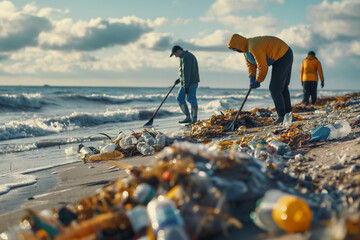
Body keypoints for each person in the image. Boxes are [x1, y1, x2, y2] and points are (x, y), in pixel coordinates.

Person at [228, 34, 293, 124]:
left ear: (238, 44)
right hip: (279, 57)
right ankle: (288, 115)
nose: (235, 50)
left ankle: (282, 116)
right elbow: (251, 66)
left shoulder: (253, 46)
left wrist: (258, 80)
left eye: (234, 48)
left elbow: (263, 66)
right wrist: (252, 78)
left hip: (284, 54)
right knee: (281, 87)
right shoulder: (246, 52)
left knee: (275, 88)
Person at [170, 45, 200, 125]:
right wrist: (179, 80)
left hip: (190, 82)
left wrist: (186, 86)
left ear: (179, 51)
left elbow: (187, 73)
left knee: (191, 99)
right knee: (180, 98)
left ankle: (194, 120)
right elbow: (184, 73)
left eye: (175, 54)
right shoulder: (184, 57)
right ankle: (188, 117)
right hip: (186, 82)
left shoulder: (186, 57)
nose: (175, 56)